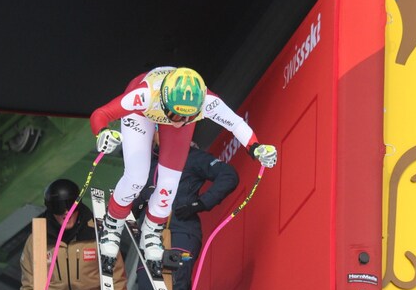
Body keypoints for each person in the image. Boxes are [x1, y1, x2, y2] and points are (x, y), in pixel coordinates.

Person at [90, 66, 277, 275]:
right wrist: (103, 133)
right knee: (137, 176)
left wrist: (257, 148)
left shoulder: (204, 102)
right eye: (175, 115)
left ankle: (152, 233)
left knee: (169, 184)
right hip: (143, 113)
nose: (179, 121)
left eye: (187, 117)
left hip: (168, 108)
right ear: (165, 102)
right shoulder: (144, 95)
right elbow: (102, 113)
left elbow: (236, 124)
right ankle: (112, 224)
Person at [134, 140, 239, 290]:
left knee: (174, 287)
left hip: (181, 230)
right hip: (149, 235)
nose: (158, 134)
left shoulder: (192, 156)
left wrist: (200, 203)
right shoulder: (150, 163)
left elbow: (228, 175)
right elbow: (139, 199)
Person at [19, 179, 128, 290]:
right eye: (58, 207)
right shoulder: (38, 240)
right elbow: (30, 285)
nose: (66, 213)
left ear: (79, 204)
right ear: (50, 209)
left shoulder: (97, 236)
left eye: (70, 205)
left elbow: (116, 280)